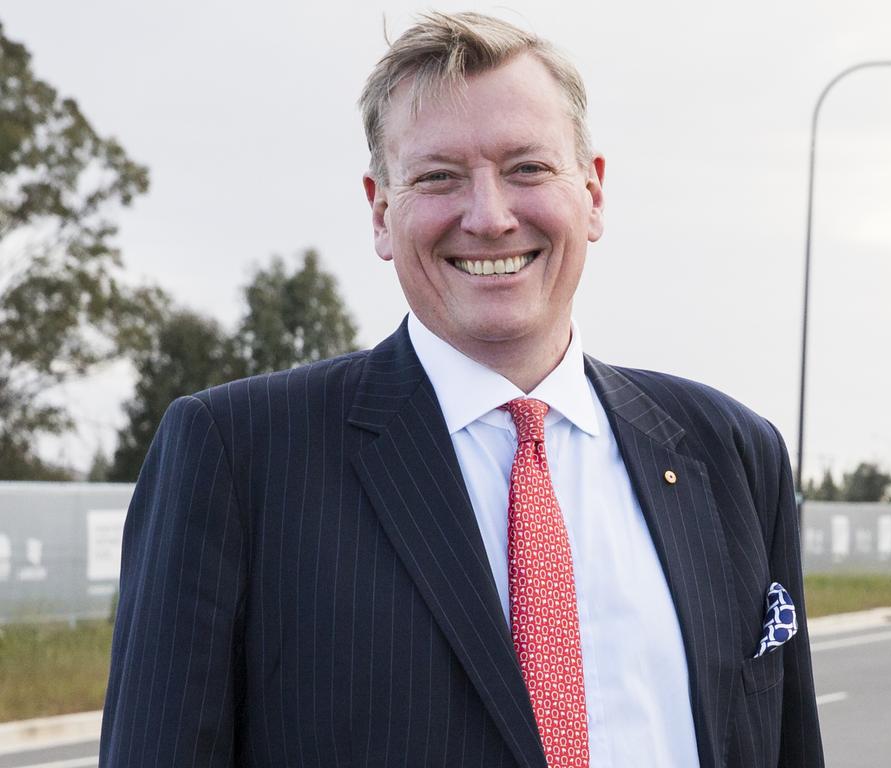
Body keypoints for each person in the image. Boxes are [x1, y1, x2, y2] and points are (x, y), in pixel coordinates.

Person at [101, 11, 825, 768]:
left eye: (528, 168)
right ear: (382, 211)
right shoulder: (239, 456)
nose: (489, 216)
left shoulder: (733, 454)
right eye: (439, 176)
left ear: (594, 192)